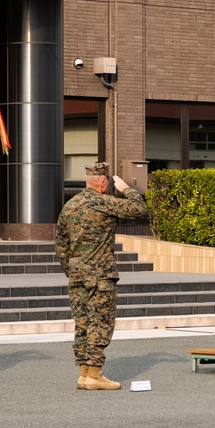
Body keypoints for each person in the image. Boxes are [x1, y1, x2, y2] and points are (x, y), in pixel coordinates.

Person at [55, 162, 146, 390]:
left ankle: (84, 373)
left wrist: (73, 269)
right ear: (104, 183)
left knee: (82, 323)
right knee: (100, 322)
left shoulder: (70, 205)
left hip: (77, 275)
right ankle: (95, 375)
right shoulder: (103, 202)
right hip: (100, 276)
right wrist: (126, 188)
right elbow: (138, 209)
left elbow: (60, 243)